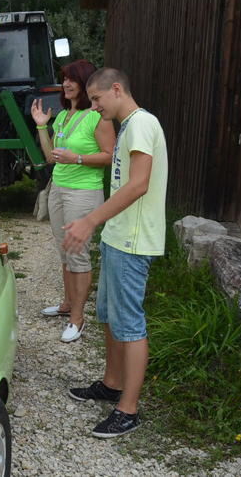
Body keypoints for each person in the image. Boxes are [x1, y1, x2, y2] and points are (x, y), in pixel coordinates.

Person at [62, 68, 168, 438]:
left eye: (97, 99)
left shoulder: (141, 124)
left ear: (117, 89)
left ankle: (129, 408)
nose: (94, 106)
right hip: (117, 237)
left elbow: (138, 185)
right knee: (108, 314)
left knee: (129, 324)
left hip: (134, 242)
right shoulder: (129, 127)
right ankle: (111, 384)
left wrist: (90, 220)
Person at [31, 59, 115, 342]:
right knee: (64, 251)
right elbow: (50, 156)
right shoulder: (63, 116)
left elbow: (109, 155)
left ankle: (78, 319)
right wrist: (42, 126)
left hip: (83, 193)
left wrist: (77, 157)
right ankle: (67, 305)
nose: (65, 83)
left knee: (77, 254)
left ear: (85, 82)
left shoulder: (98, 116)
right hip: (59, 188)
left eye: (71, 79)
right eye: (63, 79)